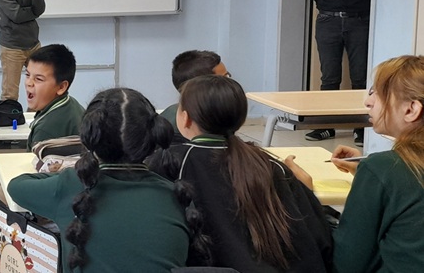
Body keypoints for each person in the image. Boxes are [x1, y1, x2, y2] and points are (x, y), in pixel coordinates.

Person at [150, 75, 333, 272]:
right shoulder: (270, 165)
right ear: (242, 119)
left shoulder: (171, 162)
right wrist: (307, 191)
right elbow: (319, 240)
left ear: (185, 118)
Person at [8, 88, 194, 272]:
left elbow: (16, 186)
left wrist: (70, 173)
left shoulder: (71, 185)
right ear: (152, 137)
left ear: (89, 136)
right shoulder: (177, 195)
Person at [0, 44, 85, 271]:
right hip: (66, 188)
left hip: (58, 201)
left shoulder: (50, 126)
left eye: (39, 79)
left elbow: (42, 187)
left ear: (61, 86)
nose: (29, 83)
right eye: (28, 75)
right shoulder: (67, 106)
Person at [285, 55, 424, 273]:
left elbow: (346, 265)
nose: (368, 102)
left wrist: (307, 197)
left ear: (411, 109)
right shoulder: (385, 170)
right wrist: (369, 175)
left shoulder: (383, 169)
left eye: (377, 93)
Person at [308, 0, 373, 145]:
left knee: (360, 77)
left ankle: (361, 127)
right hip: (329, 21)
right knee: (329, 77)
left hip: (360, 22)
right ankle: (327, 126)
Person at [158, 50, 230, 141]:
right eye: (224, 79)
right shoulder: (172, 130)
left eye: (228, 76)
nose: (230, 84)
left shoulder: (219, 111)